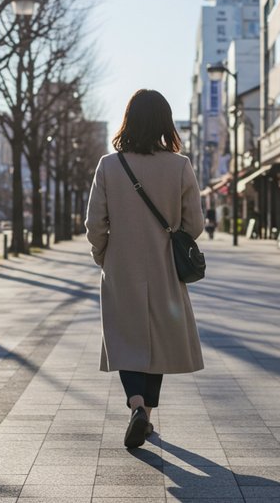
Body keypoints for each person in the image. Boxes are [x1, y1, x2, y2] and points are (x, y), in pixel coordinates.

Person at [85, 89, 205, 449]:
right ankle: (147, 415)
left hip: (121, 266)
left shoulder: (109, 164)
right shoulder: (179, 165)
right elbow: (195, 223)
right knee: (159, 340)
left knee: (127, 338)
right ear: (165, 122)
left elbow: (94, 223)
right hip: (165, 263)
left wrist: (103, 253)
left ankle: (135, 404)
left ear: (128, 120)